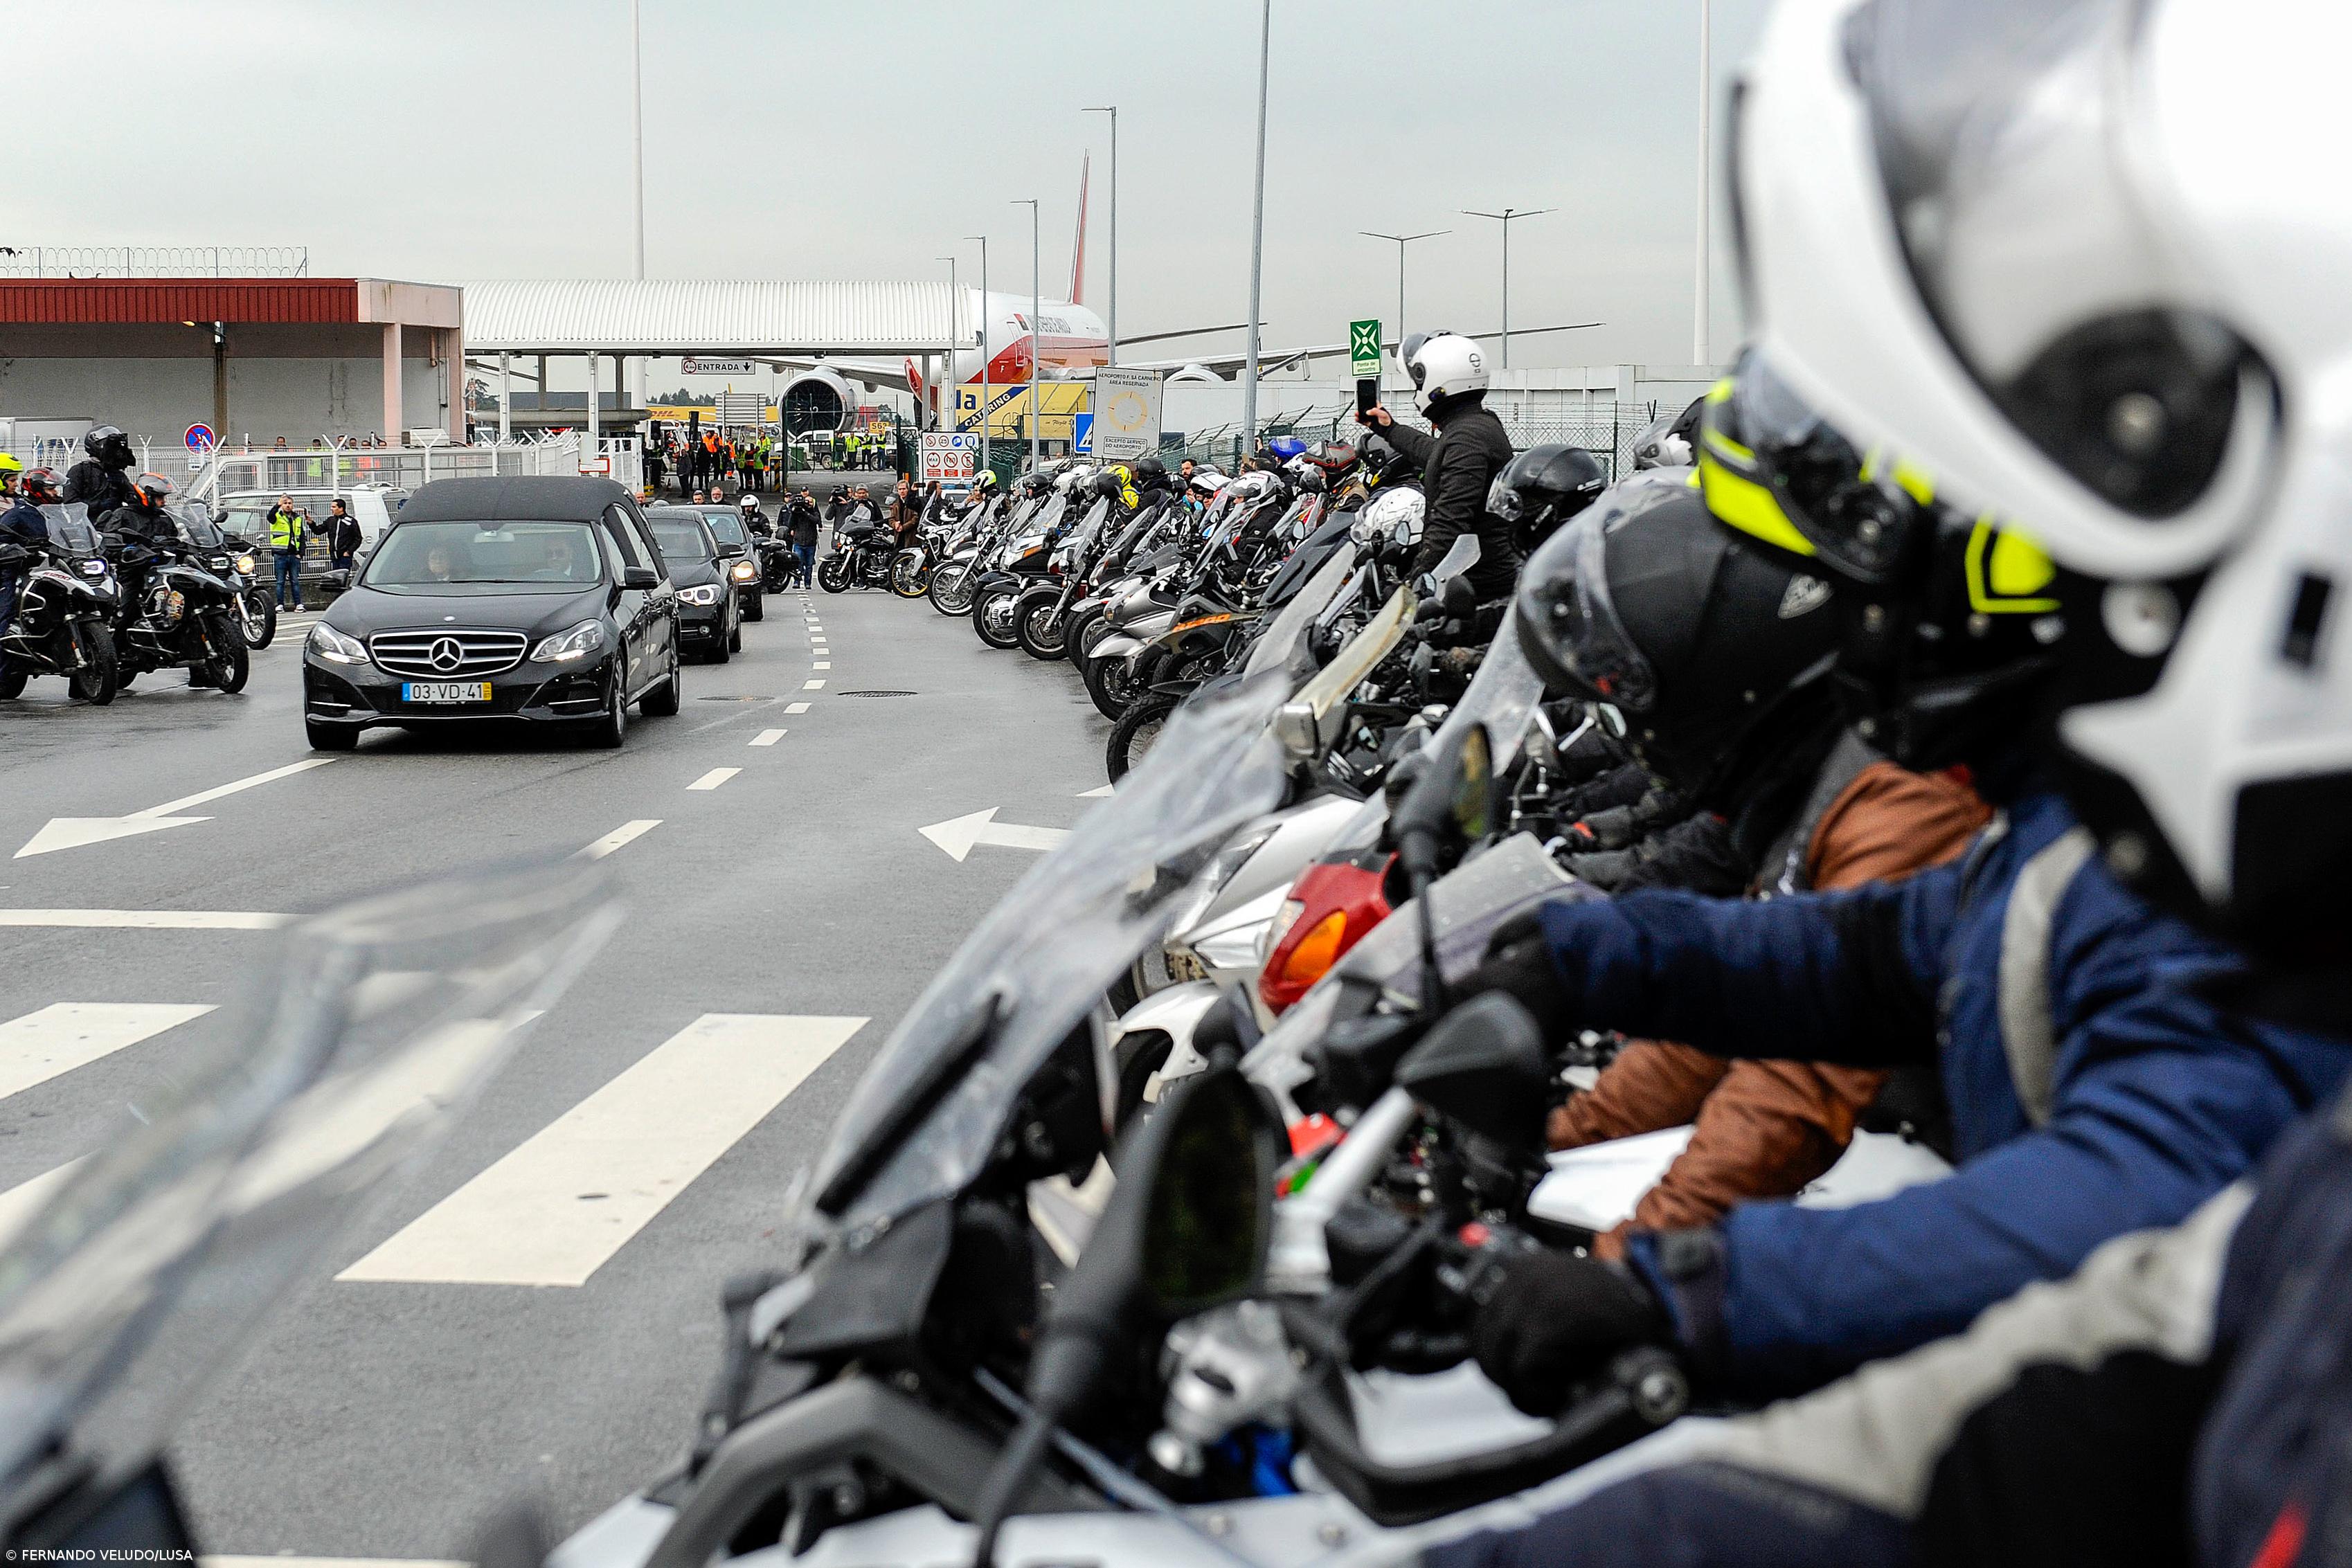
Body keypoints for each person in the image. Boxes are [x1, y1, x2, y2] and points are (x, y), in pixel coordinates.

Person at [1509, 473, 1991, 1252]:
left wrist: (1629, 1270)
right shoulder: (1805, 776)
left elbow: (1800, 1074)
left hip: (1949, 1166)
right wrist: (1561, 1139)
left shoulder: (1895, 795)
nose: (1632, 729)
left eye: (1630, 700)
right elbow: (1737, 1002)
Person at [1356, 330, 1519, 600]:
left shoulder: (1467, 438)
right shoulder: (1476, 426)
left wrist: (1410, 588)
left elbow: (1449, 522)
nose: (1417, 391)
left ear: (1437, 382)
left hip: (1476, 592)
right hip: (1471, 580)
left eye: (1418, 383)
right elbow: (1435, 454)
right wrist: (1388, 428)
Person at [62, 425, 137, 516]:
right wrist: (100, 506)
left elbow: (133, 500)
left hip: (114, 525)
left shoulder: (116, 473)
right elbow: (71, 503)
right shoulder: (79, 471)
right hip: (88, 525)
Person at [264, 495, 307, 611]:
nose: (288, 505)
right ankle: (280, 604)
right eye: (285, 503)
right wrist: (277, 505)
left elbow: (302, 537)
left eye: (290, 503)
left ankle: (298, 604)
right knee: (280, 581)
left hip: (294, 554)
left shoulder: (297, 518)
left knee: (295, 581)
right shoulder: (277, 517)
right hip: (281, 554)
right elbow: (270, 517)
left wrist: (301, 553)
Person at [787, 489, 818, 588]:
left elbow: (816, 520)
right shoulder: (797, 513)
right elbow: (790, 524)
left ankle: (808, 583)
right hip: (799, 542)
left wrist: (805, 512)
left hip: (810, 543)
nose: (808, 504)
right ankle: (797, 581)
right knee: (798, 563)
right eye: (806, 502)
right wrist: (794, 512)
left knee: (809, 565)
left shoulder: (814, 513)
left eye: (810, 502)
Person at [325, 498, 362, 578]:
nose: (331, 509)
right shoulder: (331, 521)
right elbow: (318, 530)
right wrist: (311, 523)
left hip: (345, 556)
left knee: (343, 578)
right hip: (334, 555)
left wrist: (348, 552)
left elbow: (358, 538)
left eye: (334, 507)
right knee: (335, 578)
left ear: (341, 508)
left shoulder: (350, 521)